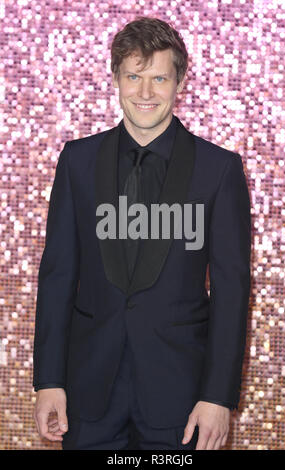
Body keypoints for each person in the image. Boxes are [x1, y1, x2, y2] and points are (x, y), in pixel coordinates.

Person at [33, 16, 251, 450]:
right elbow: (57, 276)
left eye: (159, 78)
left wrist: (217, 396)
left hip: (183, 398)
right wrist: (49, 380)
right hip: (87, 392)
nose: (145, 93)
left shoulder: (220, 170)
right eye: (134, 76)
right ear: (116, 77)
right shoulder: (76, 162)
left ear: (180, 81)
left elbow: (232, 290)